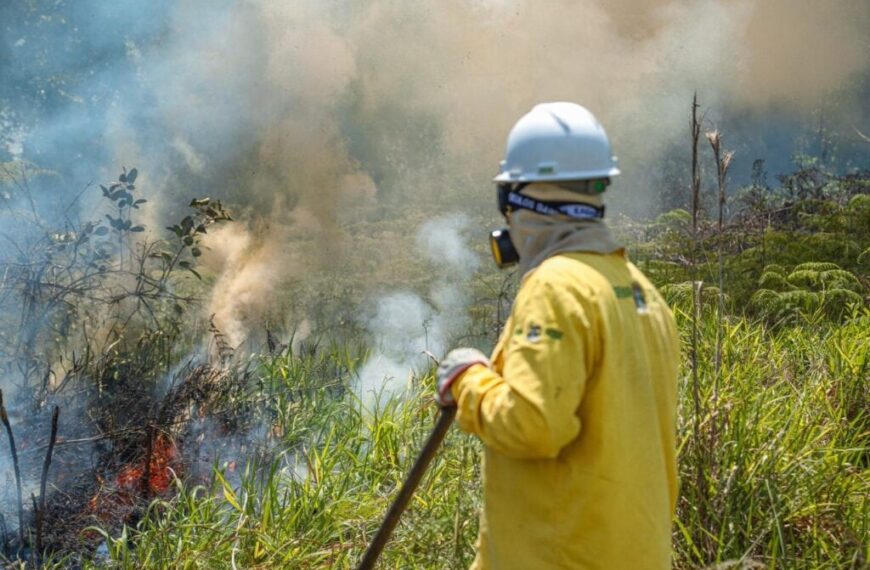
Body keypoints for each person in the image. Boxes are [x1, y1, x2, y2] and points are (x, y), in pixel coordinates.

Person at [436, 102, 680, 569]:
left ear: (518, 201)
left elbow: (533, 425)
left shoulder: (556, 286)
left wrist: (468, 381)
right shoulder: (639, 289)